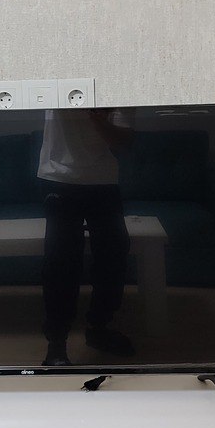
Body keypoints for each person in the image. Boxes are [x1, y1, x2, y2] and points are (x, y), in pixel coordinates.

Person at [37, 108, 135, 365]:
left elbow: (122, 141)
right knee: (61, 259)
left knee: (114, 252)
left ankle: (99, 328)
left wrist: (98, 118)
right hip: (58, 175)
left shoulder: (119, 89)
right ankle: (56, 344)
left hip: (103, 179)